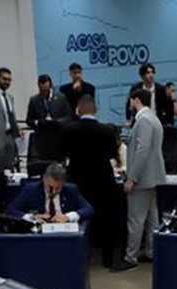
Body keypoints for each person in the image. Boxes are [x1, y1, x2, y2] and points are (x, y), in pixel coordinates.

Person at [61, 95, 121, 266]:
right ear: (96, 110)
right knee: (107, 218)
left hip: (77, 179)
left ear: (78, 110)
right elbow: (112, 153)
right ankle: (107, 256)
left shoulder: (68, 130)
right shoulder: (107, 131)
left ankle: (77, 256)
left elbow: (63, 152)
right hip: (103, 179)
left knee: (77, 217)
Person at [114, 87, 163, 272]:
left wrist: (132, 178)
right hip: (153, 176)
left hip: (142, 178)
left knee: (135, 219)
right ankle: (152, 251)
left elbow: (142, 151)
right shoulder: (153, 118)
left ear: (135, 100)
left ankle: (130, 257)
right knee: (152, 218)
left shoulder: (143, 121)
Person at [6, 162, 94, 224]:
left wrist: (67, 217)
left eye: (58, 188)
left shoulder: (71, 190)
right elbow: (11, 209)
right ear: (44, 179)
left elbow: (89, 209)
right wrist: (33, 218)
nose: (54, 192)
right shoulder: (31, 190)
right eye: (51, 187)